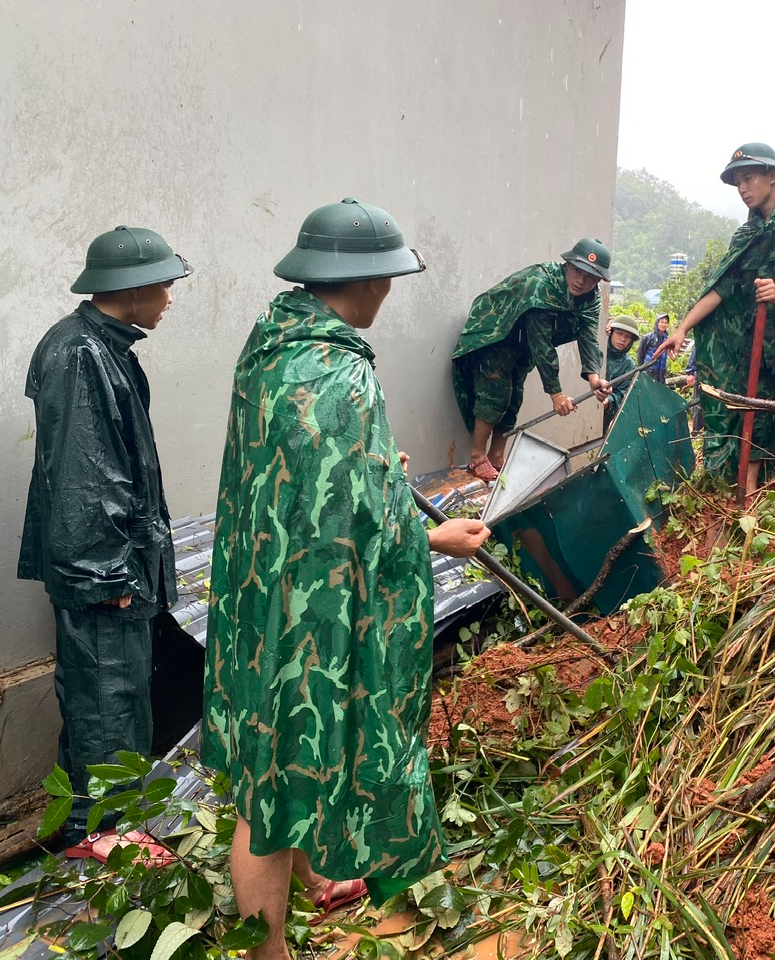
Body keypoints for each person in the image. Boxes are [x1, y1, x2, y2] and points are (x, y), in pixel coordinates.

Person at [200, 198, 490, 960]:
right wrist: (435, 535)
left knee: (284, 760)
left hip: (264, 594)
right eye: (384, 279)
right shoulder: (339, 372)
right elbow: (349, 532)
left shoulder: (272, 344)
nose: (388, 293)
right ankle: (270, 953)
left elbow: (302, 478)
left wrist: (373, 469)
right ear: (357, 279)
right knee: (273, 787)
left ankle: (306, 882)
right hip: (309, 614)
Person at [18, 225, 193, 849]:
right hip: (104, 571)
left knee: (103, 692)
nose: (170, 298)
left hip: (116, 565)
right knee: (107, 699)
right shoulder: (80, 353)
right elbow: (81, 473)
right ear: (135, 287)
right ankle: (109, 840)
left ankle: (81, 829)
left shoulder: (103, 347)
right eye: (166, 286)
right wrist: (105, 574)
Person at [658, 143, 775, 493]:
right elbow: (722, 287)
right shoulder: (748, 234)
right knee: (752, 422)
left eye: (749, 178)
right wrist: (682, 328)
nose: (742, 188)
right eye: (737, 181)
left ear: (772, 176)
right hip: (756, 349)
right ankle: (747, 497)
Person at [451, 239, 614, 481]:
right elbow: (541, 343)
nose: (581, 281)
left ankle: (496, 457)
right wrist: (556, 394)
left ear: (598, 281)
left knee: (514, 398)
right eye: (577, 271)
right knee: (495, 395)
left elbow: (588, 336)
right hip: (494, 335)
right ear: (567, 265)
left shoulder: (591, 299)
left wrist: (593, 377)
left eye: (590, 277)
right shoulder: (542, 285)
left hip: (519, 344)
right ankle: (477, 458)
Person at [603, 319, 641, 432]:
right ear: (611, 332)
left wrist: (608, 402)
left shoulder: (628, 365)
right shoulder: (596, 349)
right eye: (619, 333)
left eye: (628, 337)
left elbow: (623, 394)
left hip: (603, 414)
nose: (622, 339)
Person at [635, 313, 670, 382]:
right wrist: (641, 367)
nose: (664, 324)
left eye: (666, 323)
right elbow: (640, 353)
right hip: (648, 369)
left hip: (661, 371)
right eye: (662, 322)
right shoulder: (647, 337)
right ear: (657, 323)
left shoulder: (667, 339)